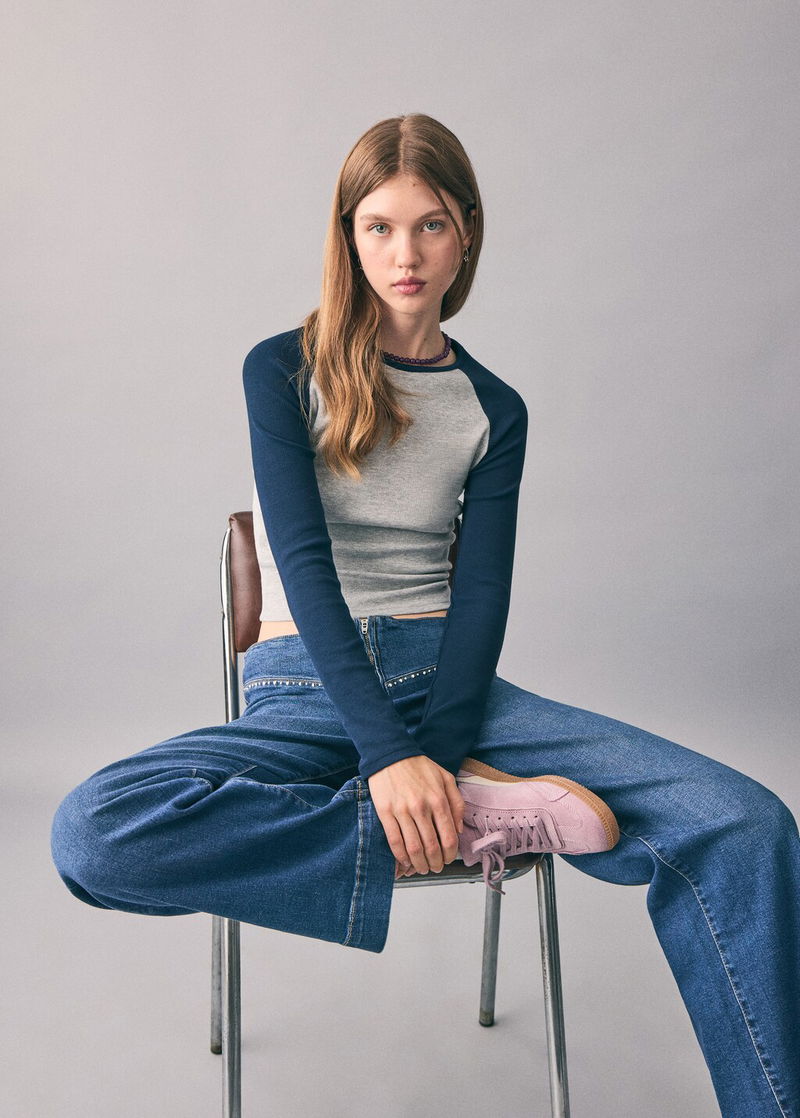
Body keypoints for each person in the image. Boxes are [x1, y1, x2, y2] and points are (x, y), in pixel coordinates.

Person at [50, 113, 798, 1117]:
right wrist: (389, 760)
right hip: (306, 685)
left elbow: (481, 595)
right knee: (93, 832)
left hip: (452, 687)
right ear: (348, 236)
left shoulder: (494, 407)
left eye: (430, 225)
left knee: (745, 822)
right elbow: (304, 566)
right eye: (379, 227)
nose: (404, 254)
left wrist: (435, 755)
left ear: (466, 233)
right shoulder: (282, 369)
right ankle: (469, 818)